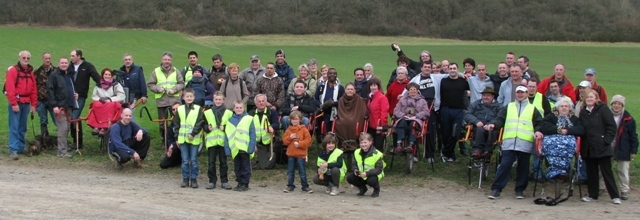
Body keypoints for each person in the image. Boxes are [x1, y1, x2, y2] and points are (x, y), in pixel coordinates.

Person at [487, 85, 544, 200]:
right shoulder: (509, 107)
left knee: (523, 167)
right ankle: (496, 189)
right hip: (509, 141)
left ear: (527, 93)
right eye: (518, 92)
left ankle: (520, 190)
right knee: (505, 165)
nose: (520, 94)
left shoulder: (533, 109)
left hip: (525, 142)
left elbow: (539, 123)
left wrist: (538, 131)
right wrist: (494, 124)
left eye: (522, 92)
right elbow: (500, 119)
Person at [579, 90, 621, 204]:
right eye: (587, 97)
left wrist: (605, 140)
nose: (589, 99)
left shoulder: (603, 109)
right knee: (591, 173)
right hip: (588, 148)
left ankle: (615, 196)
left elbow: (612, 127)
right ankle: (593, 195)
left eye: (591, 97)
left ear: (596, 98)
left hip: (602, 147)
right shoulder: (583, 112)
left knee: (607, 173)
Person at [537, 97, 584, 180]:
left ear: (569, 108)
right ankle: (554, 169)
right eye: (562, 106)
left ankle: (563, 170)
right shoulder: (551, 116)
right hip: (551, 141)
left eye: (566, 106)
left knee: (568, 145)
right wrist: (558, 130)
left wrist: (567, 131)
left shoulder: (574, 119)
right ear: (558, 108)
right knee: (550, 145)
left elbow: (580, 129)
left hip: (568, 142)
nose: (564, 108)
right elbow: (543, 126)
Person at [6, 50, 37, 160]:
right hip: (17, 102)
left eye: (28, 58)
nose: (26, 60)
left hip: (26, 102)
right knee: (14, 126)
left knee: (22, 127)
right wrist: (14, 103)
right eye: (24, 58)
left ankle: (20, 146)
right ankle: (13, 149)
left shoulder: (30, 73)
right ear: (19, 58)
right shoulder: (13, 71)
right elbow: (10, 88)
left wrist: (33, 104)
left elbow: (33, 89)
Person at [147, 52, 185, 143]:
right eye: (165, 59)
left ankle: (176, 139)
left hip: (174, 101)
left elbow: (182, 83)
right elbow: (150, 84)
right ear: (162, 60)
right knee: (162, 122)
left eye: (168, 60)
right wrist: (157, 89)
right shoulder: (156, 71)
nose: (166, 61)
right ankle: (165, 140)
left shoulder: (176, 71)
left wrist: (175, 90)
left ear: (171, 61)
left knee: (176, 120)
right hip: (161, 101)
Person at [69, 49, 101, 149]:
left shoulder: (87, 66)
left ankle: (78, 142)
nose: (71, 58)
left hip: (81, 96)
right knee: (71, 118)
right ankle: (77, 141)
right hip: (69, 97)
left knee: (75, 116)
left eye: (73, 56)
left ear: (79, 56)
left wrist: (105, 86)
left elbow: (97, 77)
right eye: (71, 56)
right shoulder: (69, 66)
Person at [173, 88, 205, 188]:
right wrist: (177, 138)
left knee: (194, 160)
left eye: (191, 96)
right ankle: (185, 179)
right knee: (185, 160)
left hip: (194, 138)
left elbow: (200, 122)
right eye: (187, 96)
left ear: (194, 97)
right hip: (183, 139)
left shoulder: (198, 108)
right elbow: (176, 124)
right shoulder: (180, 109)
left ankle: (194, 179)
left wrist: (193, 133)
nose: (189, 98)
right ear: (183, 98)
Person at [46, 57, 76, 159]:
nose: (64, 64)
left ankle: (64, 148)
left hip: (68, 106)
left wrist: (74, 95)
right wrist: (54, 105)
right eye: (62, 63)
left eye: (65, 63)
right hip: (60, 107)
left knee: (67, 128)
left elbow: (69, 89)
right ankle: (62, 151)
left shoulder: (68, 76)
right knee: (63, 128)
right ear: (58, 64)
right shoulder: (54, 76)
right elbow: (50, 91)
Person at [333, 82, 367, 172]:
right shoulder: (341, 99)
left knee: (352, 122)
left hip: (356, 119)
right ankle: (344, 143)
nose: (350, 91)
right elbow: (341, 112)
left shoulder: (359, 100)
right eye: (348, 89)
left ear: (355, 90)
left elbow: (361, 112)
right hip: (343, 118)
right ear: (345, 90)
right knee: (341, 122)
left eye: (352, 89)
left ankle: (353, 143)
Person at [202, 92, 233, 190]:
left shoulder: (229, 113)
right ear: (213, 100)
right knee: (211, 162)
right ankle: (212, 181)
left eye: (220, 99)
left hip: (223, 141)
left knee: (223, 162)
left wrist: (225, 128)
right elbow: (203, 125)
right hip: (211, 142)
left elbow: (232, 127)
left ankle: (224, 181)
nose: (218, 101)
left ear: (223, 100)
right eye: (216, 99)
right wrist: (207, 128)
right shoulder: (207, 112)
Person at [609, 95, 638, 200]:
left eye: (619, 104)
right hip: (607, 146)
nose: (616, 106)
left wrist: (634, 149)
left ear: (622, 105)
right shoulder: (606, 115)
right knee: (604, 169)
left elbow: (633, 135)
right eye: (614, 103)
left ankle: (624, 190)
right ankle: (602, 187)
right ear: (611, 104)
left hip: (623, 147)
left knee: (623, 170)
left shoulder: (629, 119)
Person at [440, 63, 470, 162]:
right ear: (448, 70)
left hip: (458, 110)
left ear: (458, 70)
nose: (452, 70)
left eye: (454, 68)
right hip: (445, 109)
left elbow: (467, 94)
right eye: (450, 68)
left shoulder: (463, 81)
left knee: (455, 132)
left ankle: (445, 152)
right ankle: (450, 155)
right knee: (446, 132)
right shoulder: (443, 81)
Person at [226, 101, 257, 191]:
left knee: (245, 166)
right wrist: (227, 148)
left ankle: (245, 183)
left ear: (244, 108)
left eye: (241, 108)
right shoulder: (230, 120)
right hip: (235, 149)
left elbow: (252, 134)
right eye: (237, 108)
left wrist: (251, 147)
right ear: (233, 109)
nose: (239, 109)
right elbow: (227, 135)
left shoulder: (249, 119)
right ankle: (239, 182)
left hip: (245, 148)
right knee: (237, 167)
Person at [464, 87, 502, 159]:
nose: (485, 97)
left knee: (492, 131)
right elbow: (467, 114)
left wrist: (492, 124)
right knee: (479, 130)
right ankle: (477, 150)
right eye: (484, 95)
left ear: (493, 96)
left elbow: (500, 118)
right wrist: (476, 121)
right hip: (479, 126)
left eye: (488, 95)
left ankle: (488, 151)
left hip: (492, 127)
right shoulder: (476, 104)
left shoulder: (499, 106)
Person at [393, 82, 429, 153]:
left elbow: (426, 112)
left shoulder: (422, 101)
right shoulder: (402, 99)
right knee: (401, 122)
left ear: (417, 90)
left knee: (414, 123)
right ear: (408, 91)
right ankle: (399, 143)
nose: (412, 91)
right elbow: (396, 110)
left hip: (416, 119)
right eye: (410, 89)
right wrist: (404, 116)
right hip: (404, 118)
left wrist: (416, 116)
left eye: (414, 89)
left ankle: (411, 144)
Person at [88, 68, 126, 135]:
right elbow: (94, 96)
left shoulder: (116, 85)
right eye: (105, 74)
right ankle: (96, 126)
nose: (107, 76)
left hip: (112, 102)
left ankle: (104, 127)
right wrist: (100, 99)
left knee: (109, 105)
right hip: (101, 102)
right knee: (95, 104)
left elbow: (122, 96)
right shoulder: (98, 85)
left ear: (111, 76)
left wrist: (110, 99)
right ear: (102, 75)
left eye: (109, 74)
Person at [282, 111, 313, 193]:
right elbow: (284, 141)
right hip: (291, 154)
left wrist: (299, 144)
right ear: (290, 120)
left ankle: (305, 186)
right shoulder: (288, 130)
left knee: (302, 171)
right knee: (290, 172)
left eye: (296, 119)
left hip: (301, 155)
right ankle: (290, 185)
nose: (295, 121)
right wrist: (290, 137)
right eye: (293, 119)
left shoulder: (304, 129)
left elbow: (308, 141)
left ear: (300, 120)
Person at [347, 133, 385, 197]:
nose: (363, 144)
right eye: (361, 143)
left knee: (372, 181)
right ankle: (363, 188)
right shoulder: (356, 152)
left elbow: (379, 169)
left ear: (370, 142)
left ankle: (376, 189)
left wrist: (367, 173)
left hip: (373, 175)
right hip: (361, 174)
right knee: (350, 178)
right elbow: (353, 164)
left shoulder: (377, 154)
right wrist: (355, 170)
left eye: (365, 142)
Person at [250, 94, 280, 170]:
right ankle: (257, 160)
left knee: (267, 166)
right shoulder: (251, 113)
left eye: (263, 101)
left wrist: (272, 127)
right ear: (255, 103)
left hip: (269, 142)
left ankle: (270, 156)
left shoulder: (272, 112)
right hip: (257, 142)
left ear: (266, 102)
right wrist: (252, 144)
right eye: (259, 101)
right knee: (263, 166)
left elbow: (277, 124)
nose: (261, 103)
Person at [314, 68, 345, 142]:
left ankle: (334, 141)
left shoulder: (340, 88)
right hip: (323, 111)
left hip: (335, 112)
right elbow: (315, 99)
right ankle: (322, 139)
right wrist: (320, 105)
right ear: (327, 75)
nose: (332, 75)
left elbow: (342, 100)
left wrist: (333, 103)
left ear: (336, 75)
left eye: (334, 73)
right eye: (330, 73)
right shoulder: (321, 87)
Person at [34, 52, 57, 136]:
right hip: (41, 100)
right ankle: (44, 137)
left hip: (53, 100)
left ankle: (62, 138)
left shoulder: (56, 71)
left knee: (56, 119)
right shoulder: (37, 72)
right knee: (43, 120)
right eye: (46, 58)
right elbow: (34, 86)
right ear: (42, 59)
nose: (47, 60)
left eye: (49, 58)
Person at [366, 77, 389, 152]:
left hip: (378, 127)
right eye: (371, 85)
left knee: (378, 147)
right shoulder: (370, 97)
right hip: (370, 126)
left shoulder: (382, 98)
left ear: (378, 86)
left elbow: (384, 113)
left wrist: (382, 126)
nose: (373, 87)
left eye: (375, 85)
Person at [159, 102, 182, 169]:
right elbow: (169, 138)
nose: (175, 111)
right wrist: (170, 147)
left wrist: (174, 144)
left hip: (187, 146)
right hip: (176, 147)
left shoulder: (188, 120)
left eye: (177, 109)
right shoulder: (173, 123)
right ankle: (179, 161)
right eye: (173, 109)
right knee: (163, 165)